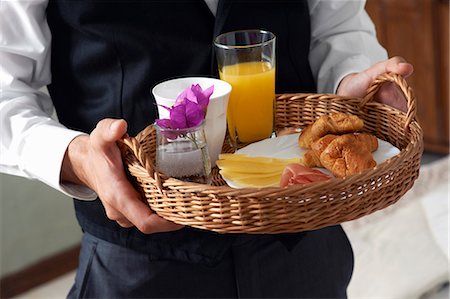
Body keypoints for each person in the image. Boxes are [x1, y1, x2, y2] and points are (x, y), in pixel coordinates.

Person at [1, 0, 413, 298]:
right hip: (139, 263)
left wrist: (349, 81)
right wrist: (75, 156)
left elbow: (336, 27)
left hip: (302, 241)